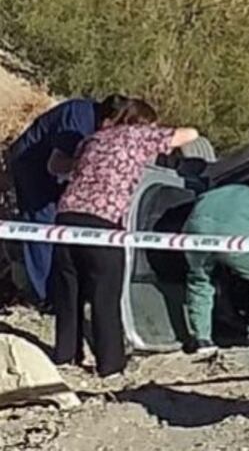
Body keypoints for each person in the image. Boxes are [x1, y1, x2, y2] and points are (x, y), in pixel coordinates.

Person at [51, 99, 199, 377]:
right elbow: (190, 134)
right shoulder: (138, 135)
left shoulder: (91, 140)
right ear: (143, 122)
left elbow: (61, 167)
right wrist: (160, 138)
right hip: (102, 223)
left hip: (65, 218)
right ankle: (110, 365)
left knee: (68, 293)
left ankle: (64, 356)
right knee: (104, 296)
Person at [6, 94, 129, 308]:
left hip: (57, 174)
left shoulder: (97, 122)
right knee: (42, 226)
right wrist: (92, 165)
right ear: (109, 120)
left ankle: (63, 289)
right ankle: (44, 296)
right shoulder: (77, 118)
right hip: (33, 166)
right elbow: (56, 164)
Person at [182, 184, 249, 353]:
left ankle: (202, 339)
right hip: (237, 236)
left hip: (196, 232)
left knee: (199, 281)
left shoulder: (212, 194)